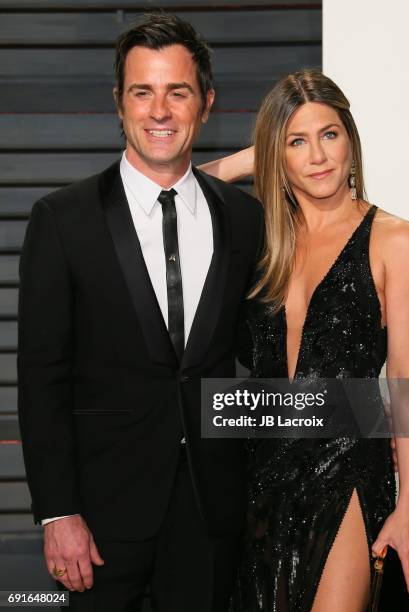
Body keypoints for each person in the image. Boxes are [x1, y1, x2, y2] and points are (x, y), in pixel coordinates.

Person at [17, 12, 263, 612]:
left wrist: (367, 422)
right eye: (142, 92)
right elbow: (41, 380)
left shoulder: (244, 218)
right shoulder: (62, 220)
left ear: (205, 103)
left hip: (212, 516)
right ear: (118, 103)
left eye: (177, 92)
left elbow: (263, 358)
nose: (159, 111)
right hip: (99, 524)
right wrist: (58, 511)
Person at [201, 70, 409, 611]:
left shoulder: (395, 240)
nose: (318, 155)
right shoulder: (258, 240)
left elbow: (406, 378)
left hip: (346, 464)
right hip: (258, 468)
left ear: (350, 139)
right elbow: (173, 190)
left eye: (329, 134)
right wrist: (253, 156)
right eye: (296, 143)